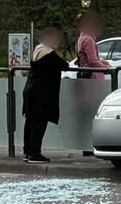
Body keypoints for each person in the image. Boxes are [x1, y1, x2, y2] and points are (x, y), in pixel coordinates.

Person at [22, 27, 69, 163]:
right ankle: (35, 153)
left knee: (30, 121)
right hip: (42, 93)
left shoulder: (37, 50)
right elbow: (64, 65)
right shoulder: (49, 54)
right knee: (39, 122)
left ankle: (27, 150)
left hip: (30, 89)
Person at [76, 12, 110, 79]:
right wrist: (107, 68)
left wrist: (103, 63)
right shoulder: (88, 40)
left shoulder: (81, 38)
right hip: (93, 76)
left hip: (86, 74)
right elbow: (93, 61)